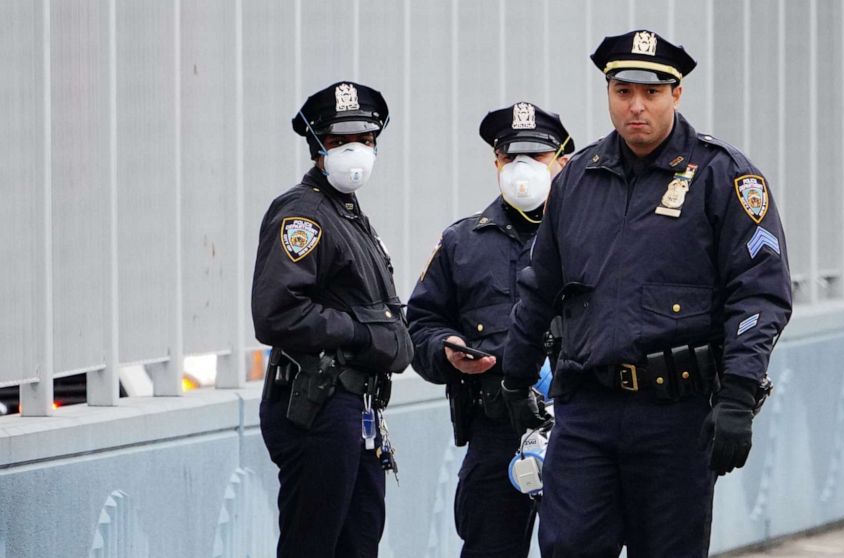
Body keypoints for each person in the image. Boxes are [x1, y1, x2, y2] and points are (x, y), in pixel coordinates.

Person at [500, 30, 793, 557]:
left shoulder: (722, 176)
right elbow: (538, 288)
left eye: (652, 93)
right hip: (586, 411)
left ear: (676, 94)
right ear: (608, 92)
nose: (636, 106)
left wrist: (739, 394)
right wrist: (515, 378)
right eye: (622, 91)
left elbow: (760, 294)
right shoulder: (577, 180)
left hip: (674, 417)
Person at [251, 80, 413, 558]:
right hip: (319, 403)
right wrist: (361, 333)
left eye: (364, 140)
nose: (355, 151)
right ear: (317, 146)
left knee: (358, 540)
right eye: (341, 141)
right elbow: (276, 311)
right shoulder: (304, 214)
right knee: (314, 544)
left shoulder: (346, 214)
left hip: (355, 408)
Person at [407, 102, 573, 558]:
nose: (522, 169)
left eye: (536, 158)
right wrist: (446, 349)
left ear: (562, 160)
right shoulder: (462, 243)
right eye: (510, 157)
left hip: (580, 425)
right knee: (490, 546)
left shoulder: (589, 235)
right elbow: (419, 325)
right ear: (495, 162)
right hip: (496, 427)